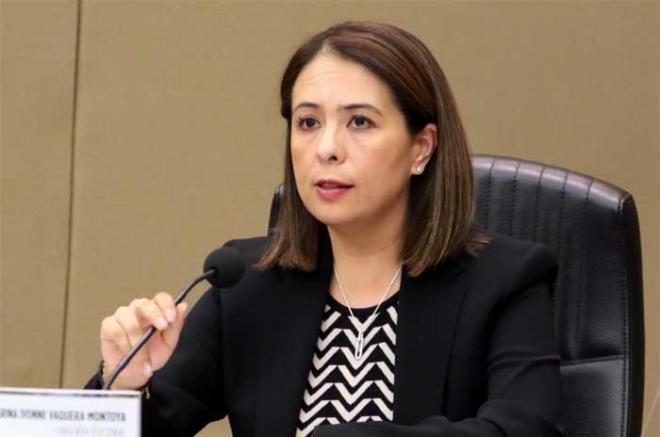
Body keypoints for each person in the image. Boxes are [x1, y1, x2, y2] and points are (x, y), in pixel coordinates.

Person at [86, 21, 562, 437]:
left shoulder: (504, 282)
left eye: (360, 122)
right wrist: (123, 387)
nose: (327, 148)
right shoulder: (247, 285)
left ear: (422, 148)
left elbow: (525, 428)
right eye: (308, 122)